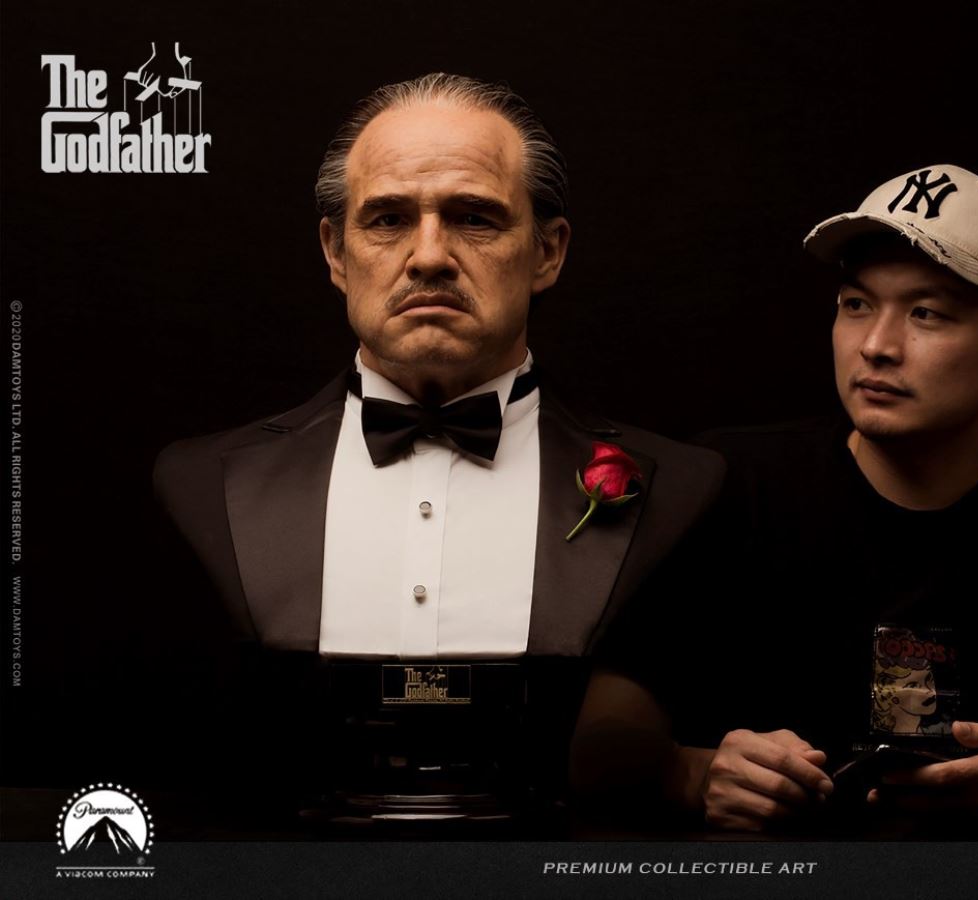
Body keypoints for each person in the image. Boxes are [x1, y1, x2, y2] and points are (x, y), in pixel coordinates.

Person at [572, 164, 978, 833]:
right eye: (856, 304)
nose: (876, 347)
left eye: (925, 313)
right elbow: (594, 737)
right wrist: (690, 772)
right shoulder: (727, 482)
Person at [150, 73, 722, 828]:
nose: (428, 257)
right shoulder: (203, 481)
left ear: (547, 252)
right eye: (388, 219)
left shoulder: (681, 485)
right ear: (335, 252)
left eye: (474, 218)